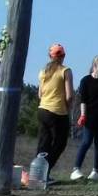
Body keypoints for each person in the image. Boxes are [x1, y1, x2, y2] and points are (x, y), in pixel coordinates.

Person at [37, 43, 73, 183]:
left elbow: (40, 94)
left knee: (43, 143)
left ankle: (37, 174)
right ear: (63, 56)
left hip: (42, 110)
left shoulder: (43, 71)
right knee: (59, 143)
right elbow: (69, 96)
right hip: (58, 111)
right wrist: (68, 108)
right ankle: (45, 172)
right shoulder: (65, 71)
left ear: (50, 56)